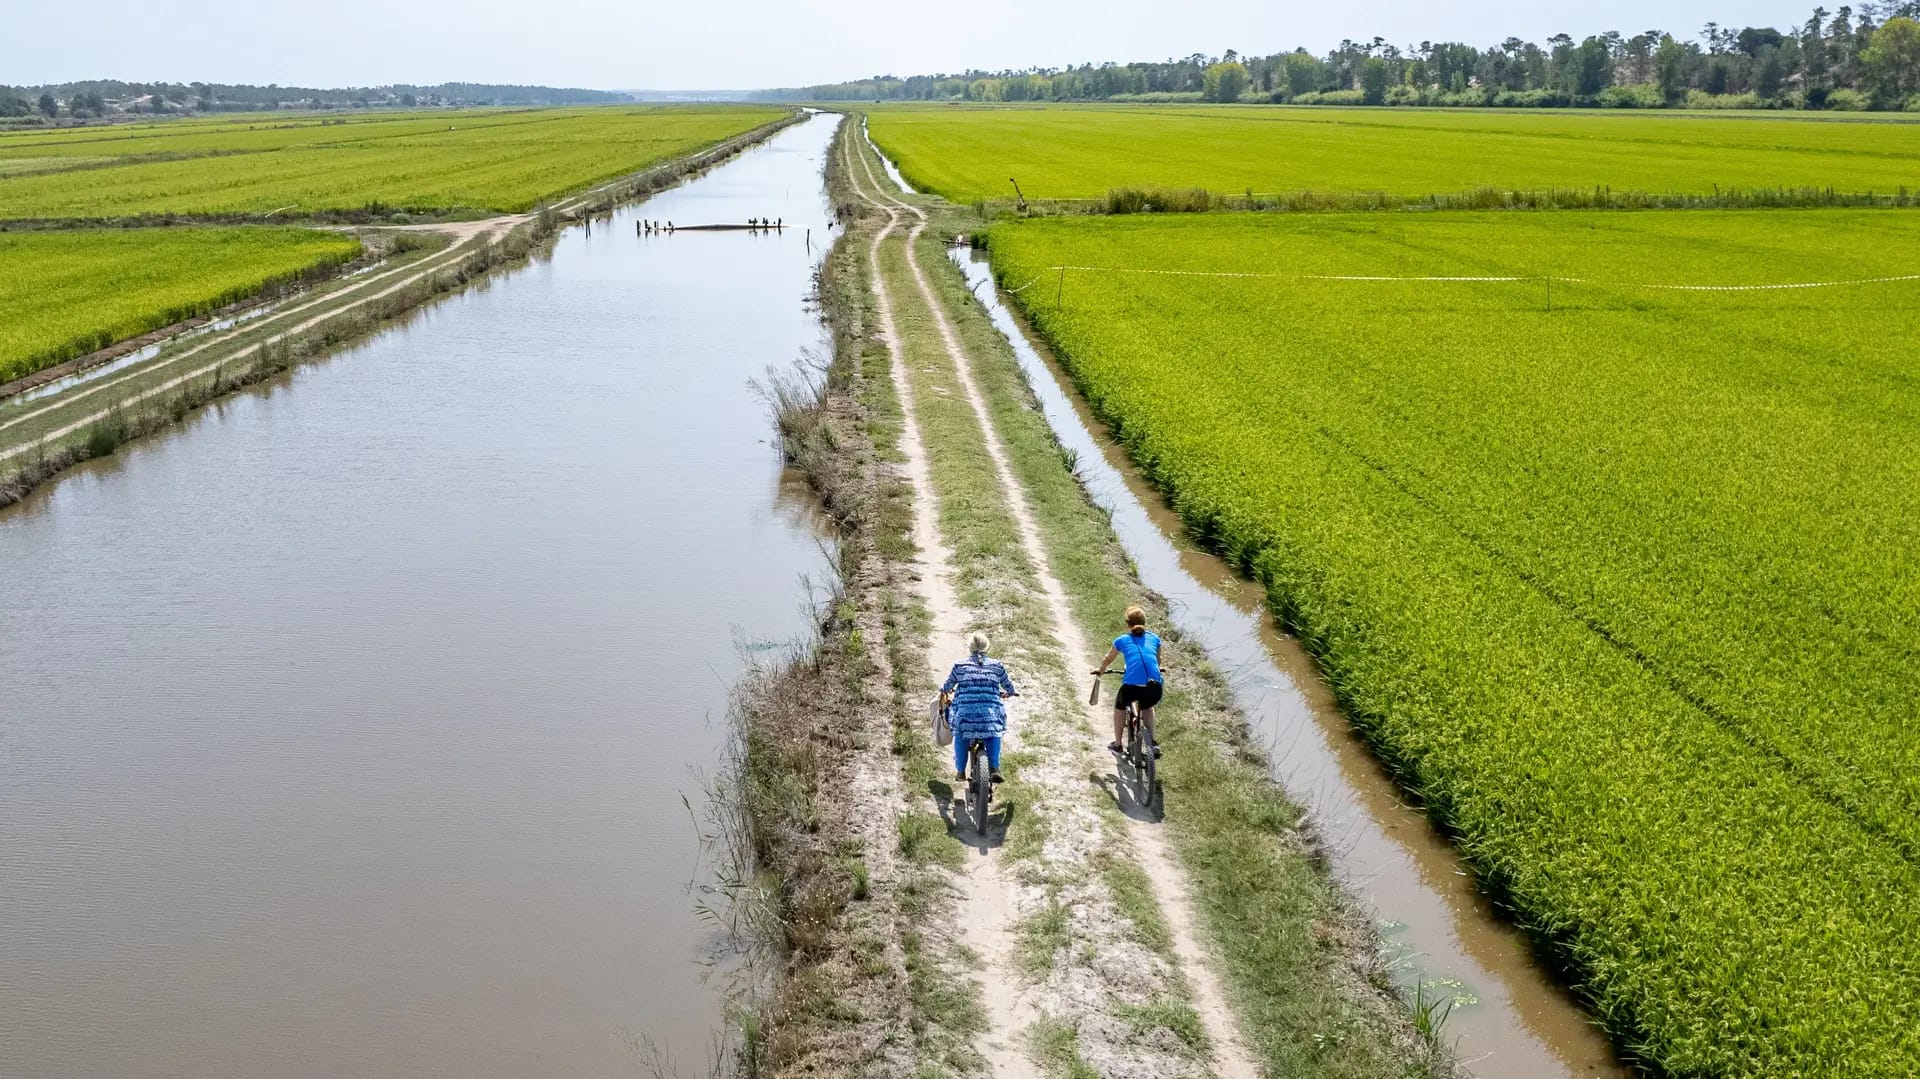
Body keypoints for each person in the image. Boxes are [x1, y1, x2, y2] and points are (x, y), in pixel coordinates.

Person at [941, 631, 1017, 785]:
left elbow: (946, 686)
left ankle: (961, 771)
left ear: (969, 648)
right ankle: (995, 767)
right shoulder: (997, 666)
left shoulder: (960, 666)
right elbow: (1009, 687)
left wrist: (945, 691)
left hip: (965, 715)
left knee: (961, 734)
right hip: (990, 716)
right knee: (994, 732)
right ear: (986, 647)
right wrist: (1008, 693)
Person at [1094, 606, 1164, 758]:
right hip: (1154, 687)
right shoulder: (1155, 639)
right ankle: (1152, 742)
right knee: (1148, 706)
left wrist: (1101, 669)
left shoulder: (1122, 640)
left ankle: (1118, 744)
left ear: (1127, 624)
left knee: (1120, 707)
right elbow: (1157, 662)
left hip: (1132, 688)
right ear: (1144, 622)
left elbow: (1108, 658)